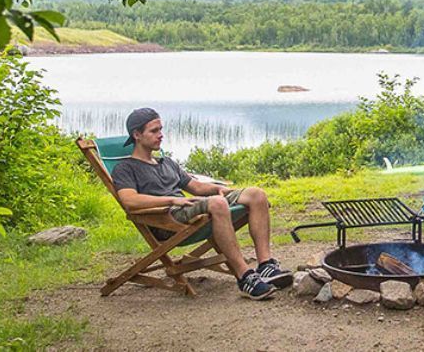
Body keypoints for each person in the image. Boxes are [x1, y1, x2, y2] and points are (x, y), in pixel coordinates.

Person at [110, 108, 293, 300]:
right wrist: (173, 200)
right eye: (154, 131)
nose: (161, 135)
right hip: (167, 218)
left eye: (161, 129)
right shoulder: (125, 168)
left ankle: (266, 265)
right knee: (218, 204)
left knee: (256, 195)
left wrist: (217, 189)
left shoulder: (167, 163)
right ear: (137, 135)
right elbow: (129, 200)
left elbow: (196, 187)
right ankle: (245, 277)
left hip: (189, 207)